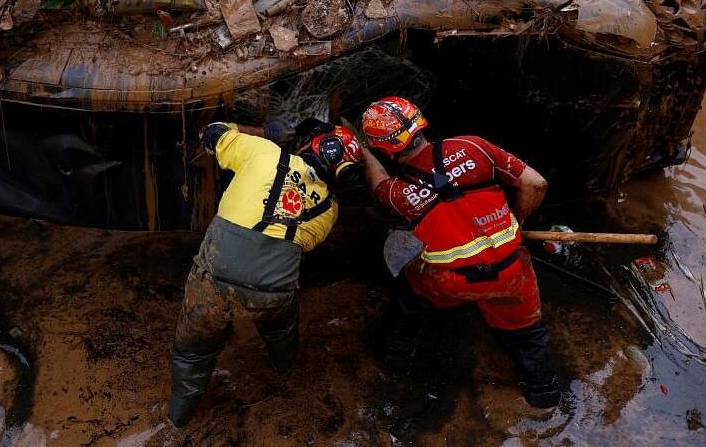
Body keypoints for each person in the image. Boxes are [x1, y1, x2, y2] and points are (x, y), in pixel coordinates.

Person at [357, 96, 560, 409]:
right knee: (527, 335)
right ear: (420, 123)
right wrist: (516, 222)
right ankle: (544, 395)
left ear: (386, 148)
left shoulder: (397, 196)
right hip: (511, 269)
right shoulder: (474, 146)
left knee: (410, 296)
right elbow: (536, 183)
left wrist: (364, 152)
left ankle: (392, 360)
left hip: (450, 282)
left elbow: (378, 182)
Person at [167, 120, 361, 428]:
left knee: (193, 352)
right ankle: (286, 367)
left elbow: (211, 133)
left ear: (313, 144)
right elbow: (304, 244)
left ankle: (179, 417)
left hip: (214, 276)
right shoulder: (329, 208)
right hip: (272, 291)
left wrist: (262, 132)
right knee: (281, 326)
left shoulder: (265, 152)